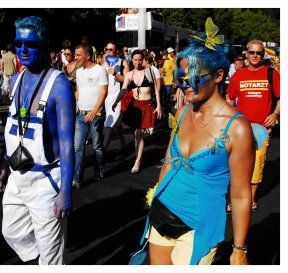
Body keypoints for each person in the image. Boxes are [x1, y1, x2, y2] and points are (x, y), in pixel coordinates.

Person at [147, 18, 255, 265]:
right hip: (161, 214)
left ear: (218, 76)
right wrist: (155, 196)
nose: (183, 83)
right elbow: (169, 161)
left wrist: (239, 249)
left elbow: (239, 195)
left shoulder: (237, 128)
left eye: (193, 77)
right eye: (181, 76)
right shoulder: (185, 111)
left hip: (197, 227)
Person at [0, 16, 75, 265]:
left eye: (30, 44)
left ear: (44, 45)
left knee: (51, 255)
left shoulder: (59, 85)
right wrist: (3, 164)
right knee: (11, 231)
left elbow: (66, 143)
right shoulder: (17, 79)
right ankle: (42, 254)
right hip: (17, 175)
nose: (23, 50)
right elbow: (13, 128)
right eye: (18, 43)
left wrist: (65, 191)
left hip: (45, 182)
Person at [226, 39, 280, 212]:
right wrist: (230, 118)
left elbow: (281, 97)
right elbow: (229, 98)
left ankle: (250, 199)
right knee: (237, 164)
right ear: (246, 54)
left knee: (257, 164)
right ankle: (235, 198)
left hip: (263, 127)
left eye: (259, 53)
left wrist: (275, 114)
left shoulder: (271, 73)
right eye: (252, 52)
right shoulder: (239, 75)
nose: (255, 56)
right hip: (241, 128)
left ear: (263, 55)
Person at [113, 49, 162, 173]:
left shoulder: (149, 71)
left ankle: (137, 161)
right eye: (135, 60)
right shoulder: (129, 74)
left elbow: (156, 89)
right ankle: (138, 159)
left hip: (147, 105)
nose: (138, 62)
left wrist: (159, 105)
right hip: (135, 106)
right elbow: (124, 90)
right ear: (132, 60)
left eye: (140, 60)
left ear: (143, 60)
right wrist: (116, 101)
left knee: (139, 134)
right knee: (137, 134)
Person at [72, 42, 108, 188]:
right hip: (80, 115)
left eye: (78, 55)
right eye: (75, 54)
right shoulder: (79, 72)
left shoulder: (100, 71)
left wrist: (94, 111)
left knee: (97, 146)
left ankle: (99, 171)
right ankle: (77, 180)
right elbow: (78, 91)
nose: (75, 57)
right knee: (77, 148)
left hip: (96, 114)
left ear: (87, 55)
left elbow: (103, 92)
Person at [101, 41, 130, 153]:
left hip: (118, 97)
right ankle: (123, 145)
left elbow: (126, 80)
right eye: (106, 49)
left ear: (116, 51)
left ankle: (101, 153)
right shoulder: (103, 62)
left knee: (109, 124)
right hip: (105, 98)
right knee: (116, 124)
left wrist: (115, 74)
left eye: (111, 49)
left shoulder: (123, 62)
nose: (108, 51)